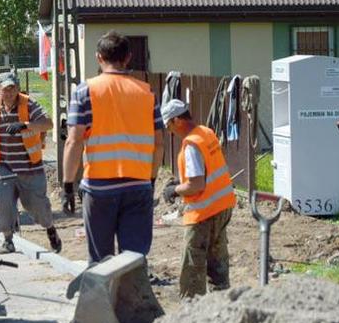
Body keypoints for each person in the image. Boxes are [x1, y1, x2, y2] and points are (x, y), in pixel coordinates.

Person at [62, 31, 164, 263]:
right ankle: (133, 298)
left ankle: (104, 298)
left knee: (100, 260)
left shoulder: (85, 91)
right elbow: (159, 144)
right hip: (138, 186)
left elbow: (74, 141)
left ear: (99, 57)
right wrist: (151, 179)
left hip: (99, 188)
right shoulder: (147, 93)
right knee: (134, 258)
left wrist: (68, 185)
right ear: (127, 58)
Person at [0, 71, 61, 255]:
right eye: (5, 89)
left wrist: (25, 125)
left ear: (18, 89)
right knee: (3, 202)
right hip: (4, 166)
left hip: (30, 167)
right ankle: (8, 240)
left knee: (36, 206)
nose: (8, 93)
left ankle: (50, 229)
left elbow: (48, 124)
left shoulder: (29, 104)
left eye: (12, 88)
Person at [160, 99, 236, 298]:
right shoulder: (205, 132)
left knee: (192, 269)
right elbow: (207, 170)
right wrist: (181, 180)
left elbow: (196, 185)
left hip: (204, 214)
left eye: (169, 125)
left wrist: (174, 190)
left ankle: (192, 310)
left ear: (177, 120)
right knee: (217, 263)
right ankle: (223, 305)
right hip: (222, 207)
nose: (169, 131)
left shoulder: (191, 145)